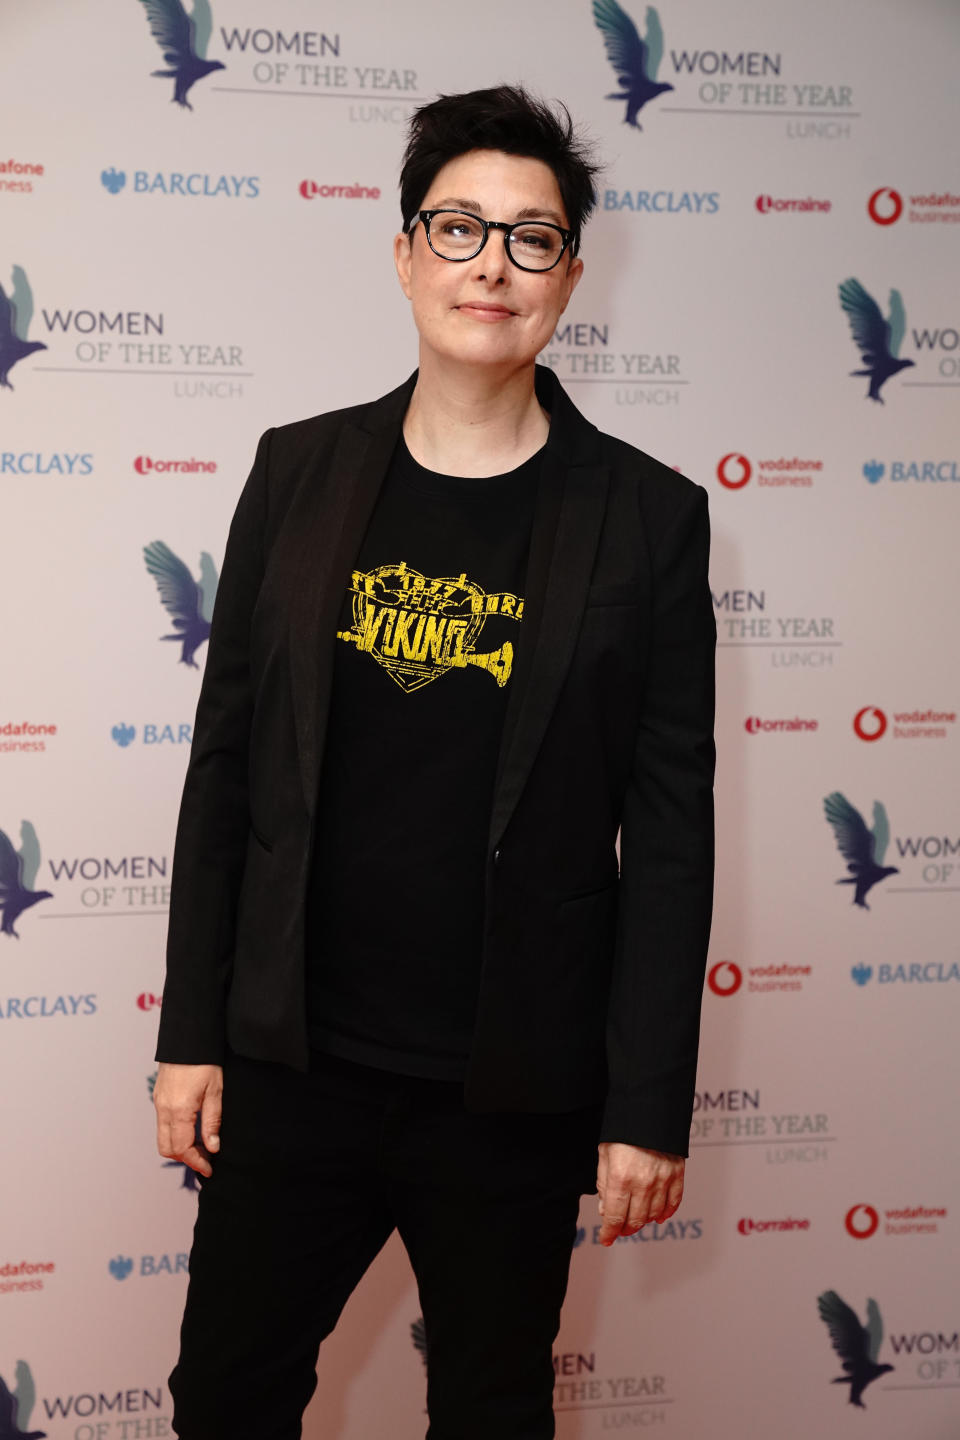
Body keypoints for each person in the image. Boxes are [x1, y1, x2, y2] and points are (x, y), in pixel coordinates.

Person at [153, 84, 716, 1440]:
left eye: (533, 238)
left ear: (572, 275)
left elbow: (672, 830)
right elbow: (224, 767)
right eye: (459, 227)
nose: (492, 265)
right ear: (405, 252)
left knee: (491, 1407)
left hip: (509, 1085)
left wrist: (645, 1106)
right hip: (294, 1063)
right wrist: (190, 1034)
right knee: (225, 1398)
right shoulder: (297, 473)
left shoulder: (649, 517)